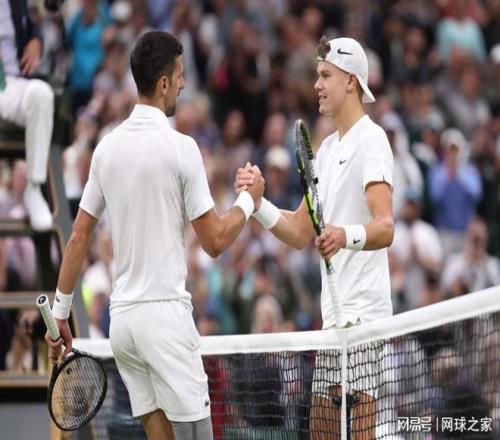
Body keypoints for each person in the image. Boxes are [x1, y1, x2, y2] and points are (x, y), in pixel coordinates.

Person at [45, 31, 264, 440]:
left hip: (124, 325)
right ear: (163, 83)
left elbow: (77, 237)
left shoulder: (106, 149)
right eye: (180, 75)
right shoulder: (182, 148)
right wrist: (249, 202)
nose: (184, 83)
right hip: (164, 319)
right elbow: (215, 241)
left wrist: (60, 314)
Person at [236, 36, 394, 439]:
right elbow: (298, 231)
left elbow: (385, 227)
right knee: (320, 431)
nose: (316, 85)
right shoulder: (324, 151)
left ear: (351, 82)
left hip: (364, 320)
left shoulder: (373, 140)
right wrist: (258, 204)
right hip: (334, 320)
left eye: (325, 75)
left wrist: (344, 235)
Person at [0, 0, 54, 231]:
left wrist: (36, 40)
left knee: (42, 94)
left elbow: (32, 25)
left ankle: (34, 188)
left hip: (10, 84)